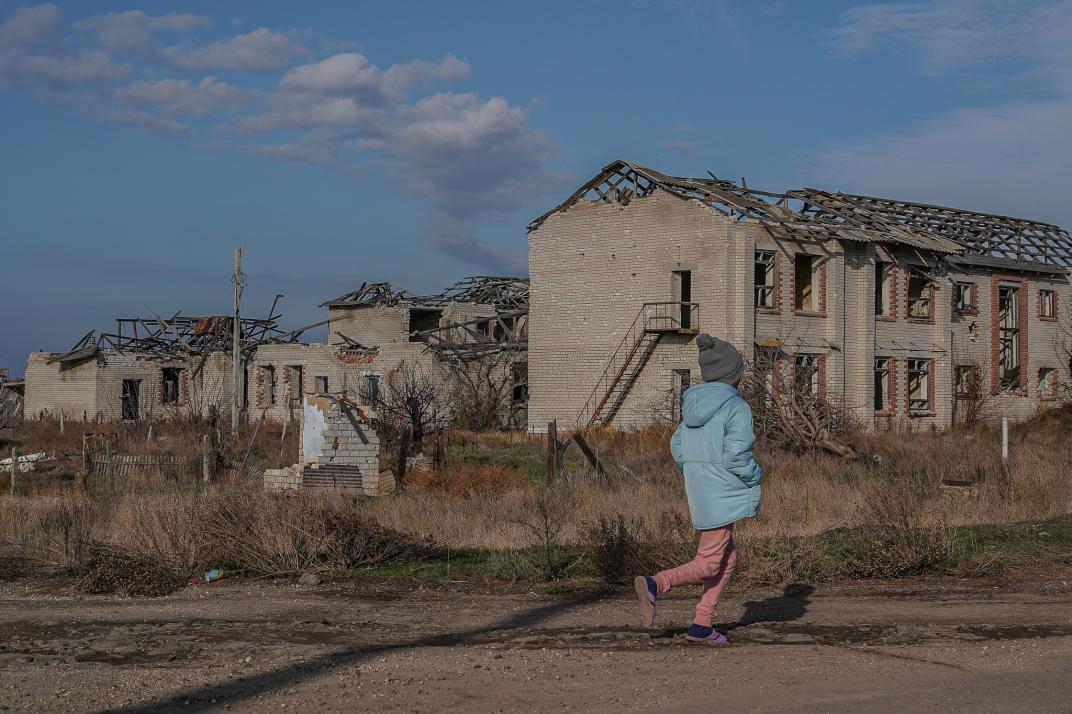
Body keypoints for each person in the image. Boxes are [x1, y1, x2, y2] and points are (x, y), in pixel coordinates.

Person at [634, 333, 762, 645]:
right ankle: (656, 583)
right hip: (724, 491)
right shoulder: (736, 407)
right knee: (709, 562)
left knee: (726, 557)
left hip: (702, 489)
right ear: (733, 373)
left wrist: (695, 472)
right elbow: (736, 455)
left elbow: (676, 445)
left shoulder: (693, 404)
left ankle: (702, 624)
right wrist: (755, 476)